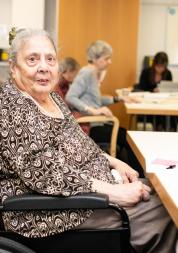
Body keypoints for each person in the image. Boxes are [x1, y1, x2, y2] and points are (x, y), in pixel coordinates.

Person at [0, 28, 177, 253]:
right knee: (166, 211)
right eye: (32, 59)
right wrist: (112, 193)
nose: (43, 67)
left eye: (50, 59)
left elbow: (79, 141)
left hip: (86, 188)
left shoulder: (51, 97)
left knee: (161, 193)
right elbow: (42, 171)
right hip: (49, 210)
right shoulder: (14, 106)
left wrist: (112, 161)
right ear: (14, 68)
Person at [65, 40, 142, 172]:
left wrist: (119, 98)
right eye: (107, 58)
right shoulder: (87, 73)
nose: (110, 62)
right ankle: (138, 175)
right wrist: (93, 111)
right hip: (91, 127)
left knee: (127, 136)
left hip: (96, 124)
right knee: (128, 139)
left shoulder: (93, 73)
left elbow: (96, 99)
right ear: (95, 58)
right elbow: (70, 97)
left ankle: (133, 174)